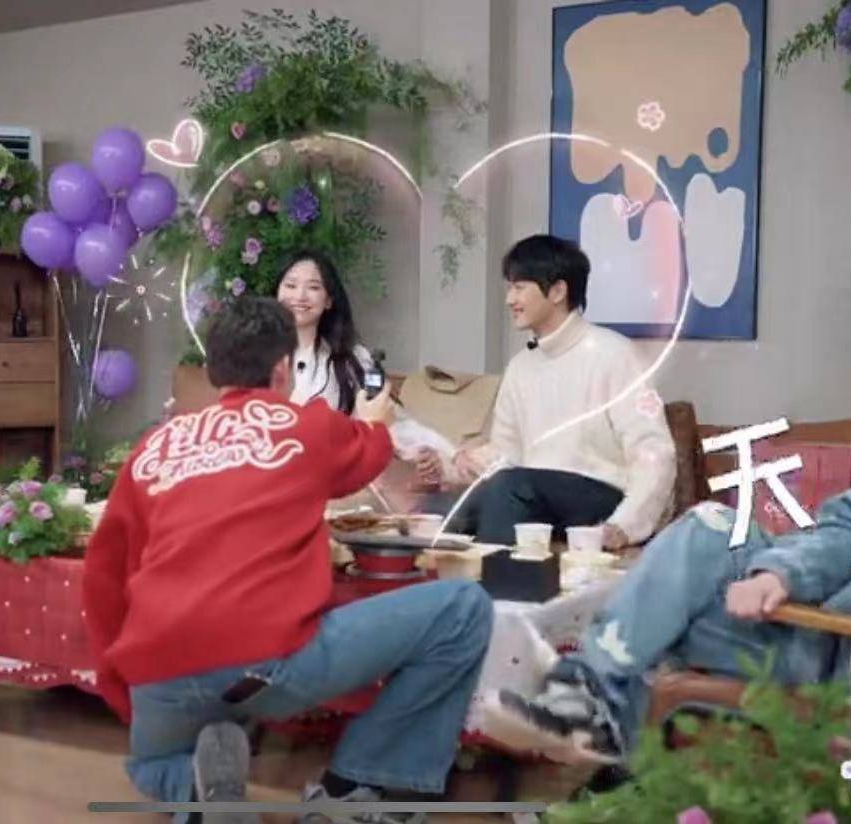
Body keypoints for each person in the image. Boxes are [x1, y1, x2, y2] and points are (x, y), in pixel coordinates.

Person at [482, 304, 851, 779]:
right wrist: (779, 574)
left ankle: (597, 725)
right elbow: (841, 533)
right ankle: (585, 704)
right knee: (706, 528)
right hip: (819, 630)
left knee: (653, 628)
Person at [84, 296, 493, 824]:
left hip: (158, 665)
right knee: (463, 608)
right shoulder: (306, 426)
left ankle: (191, 786)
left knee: (152, 763)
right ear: (282, 368)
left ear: (213, 367)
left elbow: (104, 576)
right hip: (264, 659)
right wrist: (376, 420)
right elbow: (368, 451)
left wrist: (128, 683)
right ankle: (363, 781)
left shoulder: (154, 447)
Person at [417, 235, 677, 549]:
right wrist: (449, 466)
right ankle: (461, 579)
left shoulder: (615, 354)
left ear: (557, 291)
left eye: (519, 287)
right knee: (436, 511)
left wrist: (624, 525)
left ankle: (498, 580)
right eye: (509, 288)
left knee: (510, 488)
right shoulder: (521, 366)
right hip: (530, 492)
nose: (509, 299)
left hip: (602, 497)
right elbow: (507, 455)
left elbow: (654, 451)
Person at [275, 250, 375, 413]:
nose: (300, 296)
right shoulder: (254, 354)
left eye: (313, 287)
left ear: (328, 300)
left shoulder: (354, 359)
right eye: (291, 286)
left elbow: (378, 417)